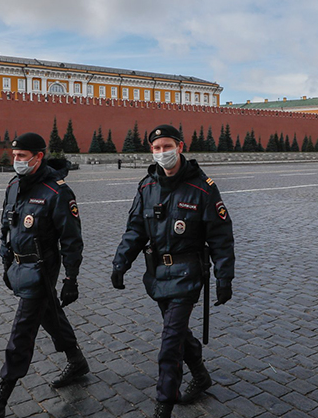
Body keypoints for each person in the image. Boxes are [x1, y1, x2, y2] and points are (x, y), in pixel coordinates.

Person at [111, 124, 235, 418]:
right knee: (177, 333)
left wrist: (224, 277)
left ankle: (163, 405)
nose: (162, 152)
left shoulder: (202, 187)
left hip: (188, 274)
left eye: (167, 146)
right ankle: (201, 376)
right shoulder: (147, 187)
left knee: (170, 344)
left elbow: (220, 236)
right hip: (157, 276)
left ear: (180, 146)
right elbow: (136, 230)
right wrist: (120, 262)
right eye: (156, 148)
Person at [0, 133, 89, 418]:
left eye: (22, 156)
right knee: (48, 313)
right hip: (19, 266)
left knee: (22, 332)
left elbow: (72, 240)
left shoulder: (57, 192)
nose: (17, 161)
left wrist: (71, 278)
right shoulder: (14, 185)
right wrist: (6, 262)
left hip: (42, 269)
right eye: (14, 156)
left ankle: (2, 398)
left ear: (38, 157)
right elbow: (7, 226)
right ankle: (76, 360)